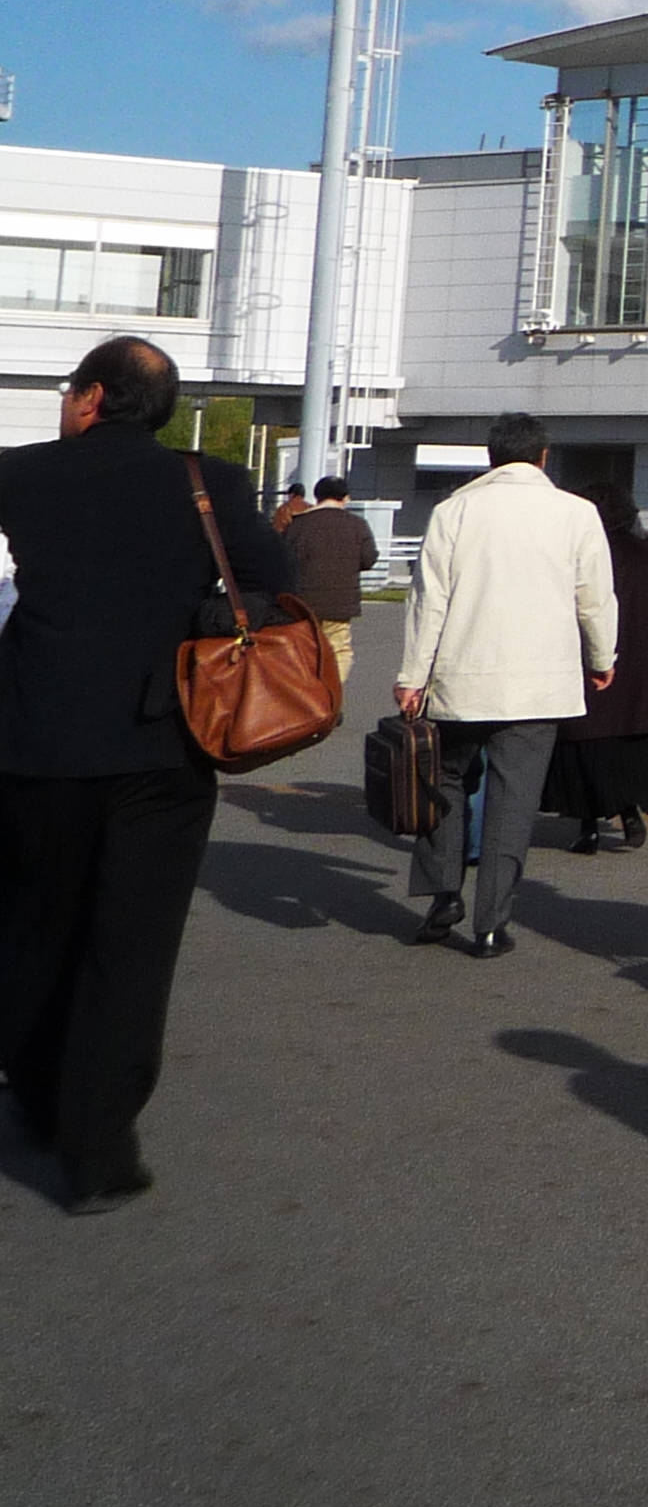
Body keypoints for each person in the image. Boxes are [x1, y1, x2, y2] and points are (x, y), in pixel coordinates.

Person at [0, 337, 298, 1214]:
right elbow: (271, 583)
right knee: (131, 945)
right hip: (162, 740)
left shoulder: (19, 474)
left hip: (33, 735)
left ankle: (39, 1091)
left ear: (91, 398)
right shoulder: (210, 483)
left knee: (32, 924)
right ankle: (99, 1150)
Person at [394, 413, 615, 957]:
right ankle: (492, 924)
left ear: (490, 458)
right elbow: (595, 596)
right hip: (539, 685)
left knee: (442, 782)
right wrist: (603, 656)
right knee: (513, 803)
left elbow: (429, 601)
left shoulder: (454, 511)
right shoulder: (577, 513)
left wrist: (410, 677)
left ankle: (444, 893)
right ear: (544, 457)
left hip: (459, 677)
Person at [548, 481, 648, 855]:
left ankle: (588, 825)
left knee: (585, 745)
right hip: (641, 668)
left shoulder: (573, 551)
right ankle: (630, 810)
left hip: (587, 662)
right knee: (630, 746)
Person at [281, 475, 378, 691]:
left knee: (306, 650)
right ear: (345, 498)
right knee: (339, 650)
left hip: (303, 601)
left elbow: (285, 559)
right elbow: (369, 559)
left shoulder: (300, 524)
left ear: (317, 497)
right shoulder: (357, 524)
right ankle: (330, 696)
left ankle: (306, 698)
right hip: (341, 601)